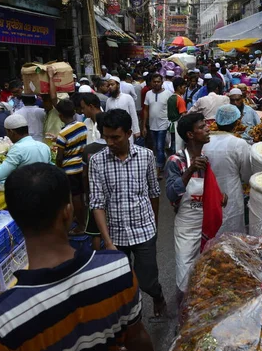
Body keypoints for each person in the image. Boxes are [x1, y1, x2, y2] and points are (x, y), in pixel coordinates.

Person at [0, 163, 157, 351]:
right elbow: (136, 337)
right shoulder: (117, 269)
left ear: (13, 217)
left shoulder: (4, 318)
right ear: (68, 212)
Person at [89, 109, 166, 318]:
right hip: (115, 235)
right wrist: (107, 241)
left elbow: (154, 193)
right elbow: (97, 203)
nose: (110, 142)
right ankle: (133, 323)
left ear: (129, 133)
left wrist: (154, 227)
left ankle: (157, 296)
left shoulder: (146, 156)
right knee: (121, 284)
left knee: (147, 280)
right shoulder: (96, 162)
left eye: (115, 137)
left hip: (144, 231)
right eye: (106, 137)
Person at [165, 113, 227, 299]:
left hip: (204, 223)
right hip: (186, 225)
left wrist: (219, 197)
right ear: (190, 135)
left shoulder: (206, 159)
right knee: (184, 271)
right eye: (202, 127)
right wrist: (190, 170)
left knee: (204, 269)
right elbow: (171, 194)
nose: (208, 129)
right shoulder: (176, 162)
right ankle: (183, 314)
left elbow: (209, 189)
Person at [203, 105, 252, 234]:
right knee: (231, 229)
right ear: (236, 123)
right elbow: (246, 175)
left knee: (212, 228)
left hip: (208, 190)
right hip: (231, 190)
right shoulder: (239, 143)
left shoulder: (206, 141)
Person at [55, 99, 87, 234]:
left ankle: (81, 226)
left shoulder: (62, 134)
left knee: (75, 198)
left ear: (60, 115)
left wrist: (58, 166)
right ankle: (84, 220)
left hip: (70, 170)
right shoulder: (82, 125)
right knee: (82, 196)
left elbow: (59, 157)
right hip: (82, 166)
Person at [0, 114, 51, 182]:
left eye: (7, 133)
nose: (7, 136)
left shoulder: (17, 149)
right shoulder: (44, 146)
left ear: (11, 132)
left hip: (25, 188)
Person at [82, 113, 107, 251]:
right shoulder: (115, 148)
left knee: (95, 231)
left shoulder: (88, 149)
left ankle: (98, 257)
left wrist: (87, 193)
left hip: (94, 195)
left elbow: (84, 175)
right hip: (112, 194)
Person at [142, 73, 172, 178]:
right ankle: (162, 162)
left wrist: (170, 122)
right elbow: (145, 110)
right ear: (151, 82)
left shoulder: (168, 93)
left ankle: (158, 170)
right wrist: (144, 126)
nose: (156, 83)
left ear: (162, 82)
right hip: (152, 125)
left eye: (158, 81)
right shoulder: (148, 94)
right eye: (154, 82)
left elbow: (171, 108)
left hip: (163, 124)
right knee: (156, 147)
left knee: (159, 147)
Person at [106, 75, 141, 144]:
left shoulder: (127, 98)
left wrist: (136, 131)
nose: (110, 87)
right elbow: (107, 117)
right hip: (114, 132)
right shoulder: (108, 101)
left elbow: (133, 115)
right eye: (109, 85)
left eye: (112, 84)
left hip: (127, 131)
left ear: (118, 85)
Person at [167, 77, 188, 155]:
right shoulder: (180, 100)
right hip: (177, 126)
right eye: (184, 87)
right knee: (177, 147)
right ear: (179, 87)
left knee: (172, 145)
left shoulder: (170, 98)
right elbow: (184, 115)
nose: (185, 89)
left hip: (170, 126)